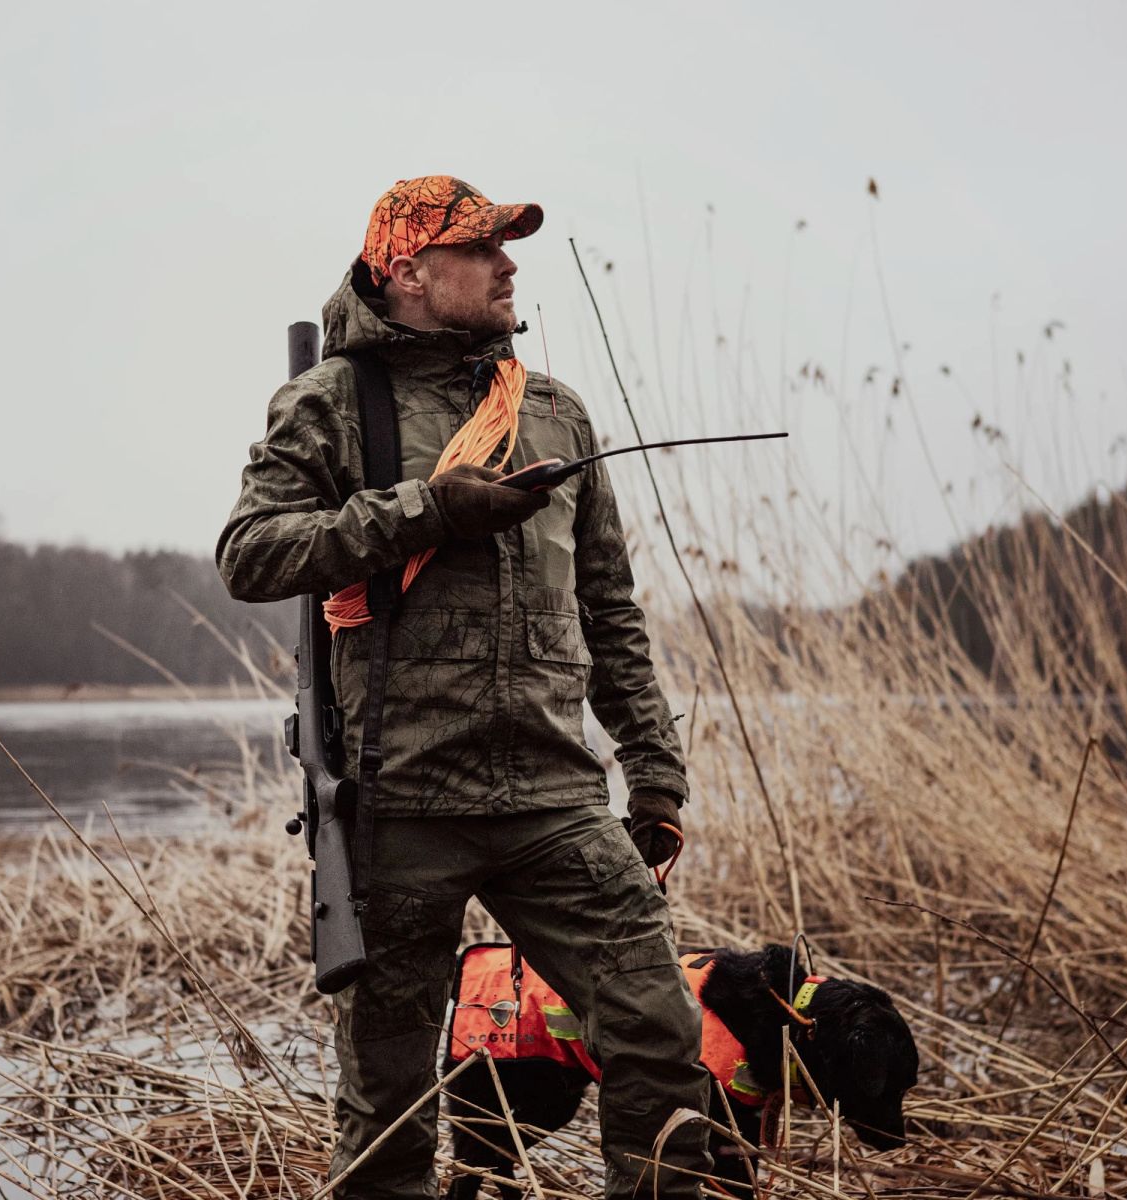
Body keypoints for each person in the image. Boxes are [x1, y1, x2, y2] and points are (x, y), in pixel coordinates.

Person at [217, 176, 711, 1199]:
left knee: (662, 1042)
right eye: (483, 248)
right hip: (400, 805)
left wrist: (654, 775)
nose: (508, 264)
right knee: (389, 1107)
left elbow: (609, 611)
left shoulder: (554, 413)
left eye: (507, 247)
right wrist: (423, 510)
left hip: (551, 800)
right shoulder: (333, 402)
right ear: (408, 270)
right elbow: (250, 555)